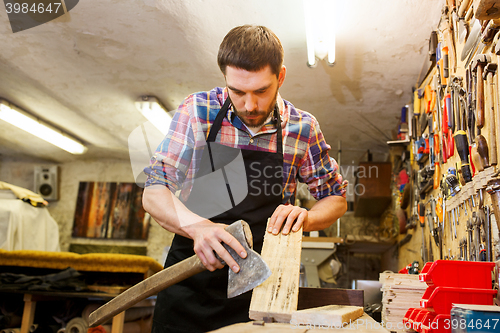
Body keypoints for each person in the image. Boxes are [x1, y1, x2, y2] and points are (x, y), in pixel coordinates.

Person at [143, 25, 347, 333]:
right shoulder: (198, 112)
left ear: (280, 77)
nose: (250, 105)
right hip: (188, 288)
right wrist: (199, 228)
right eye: (237, 92)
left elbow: (335, 198)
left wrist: (306, 217)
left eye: (261, 91)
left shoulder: (302, 129)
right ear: (225, 78)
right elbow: (154, 192)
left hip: (260, 295)